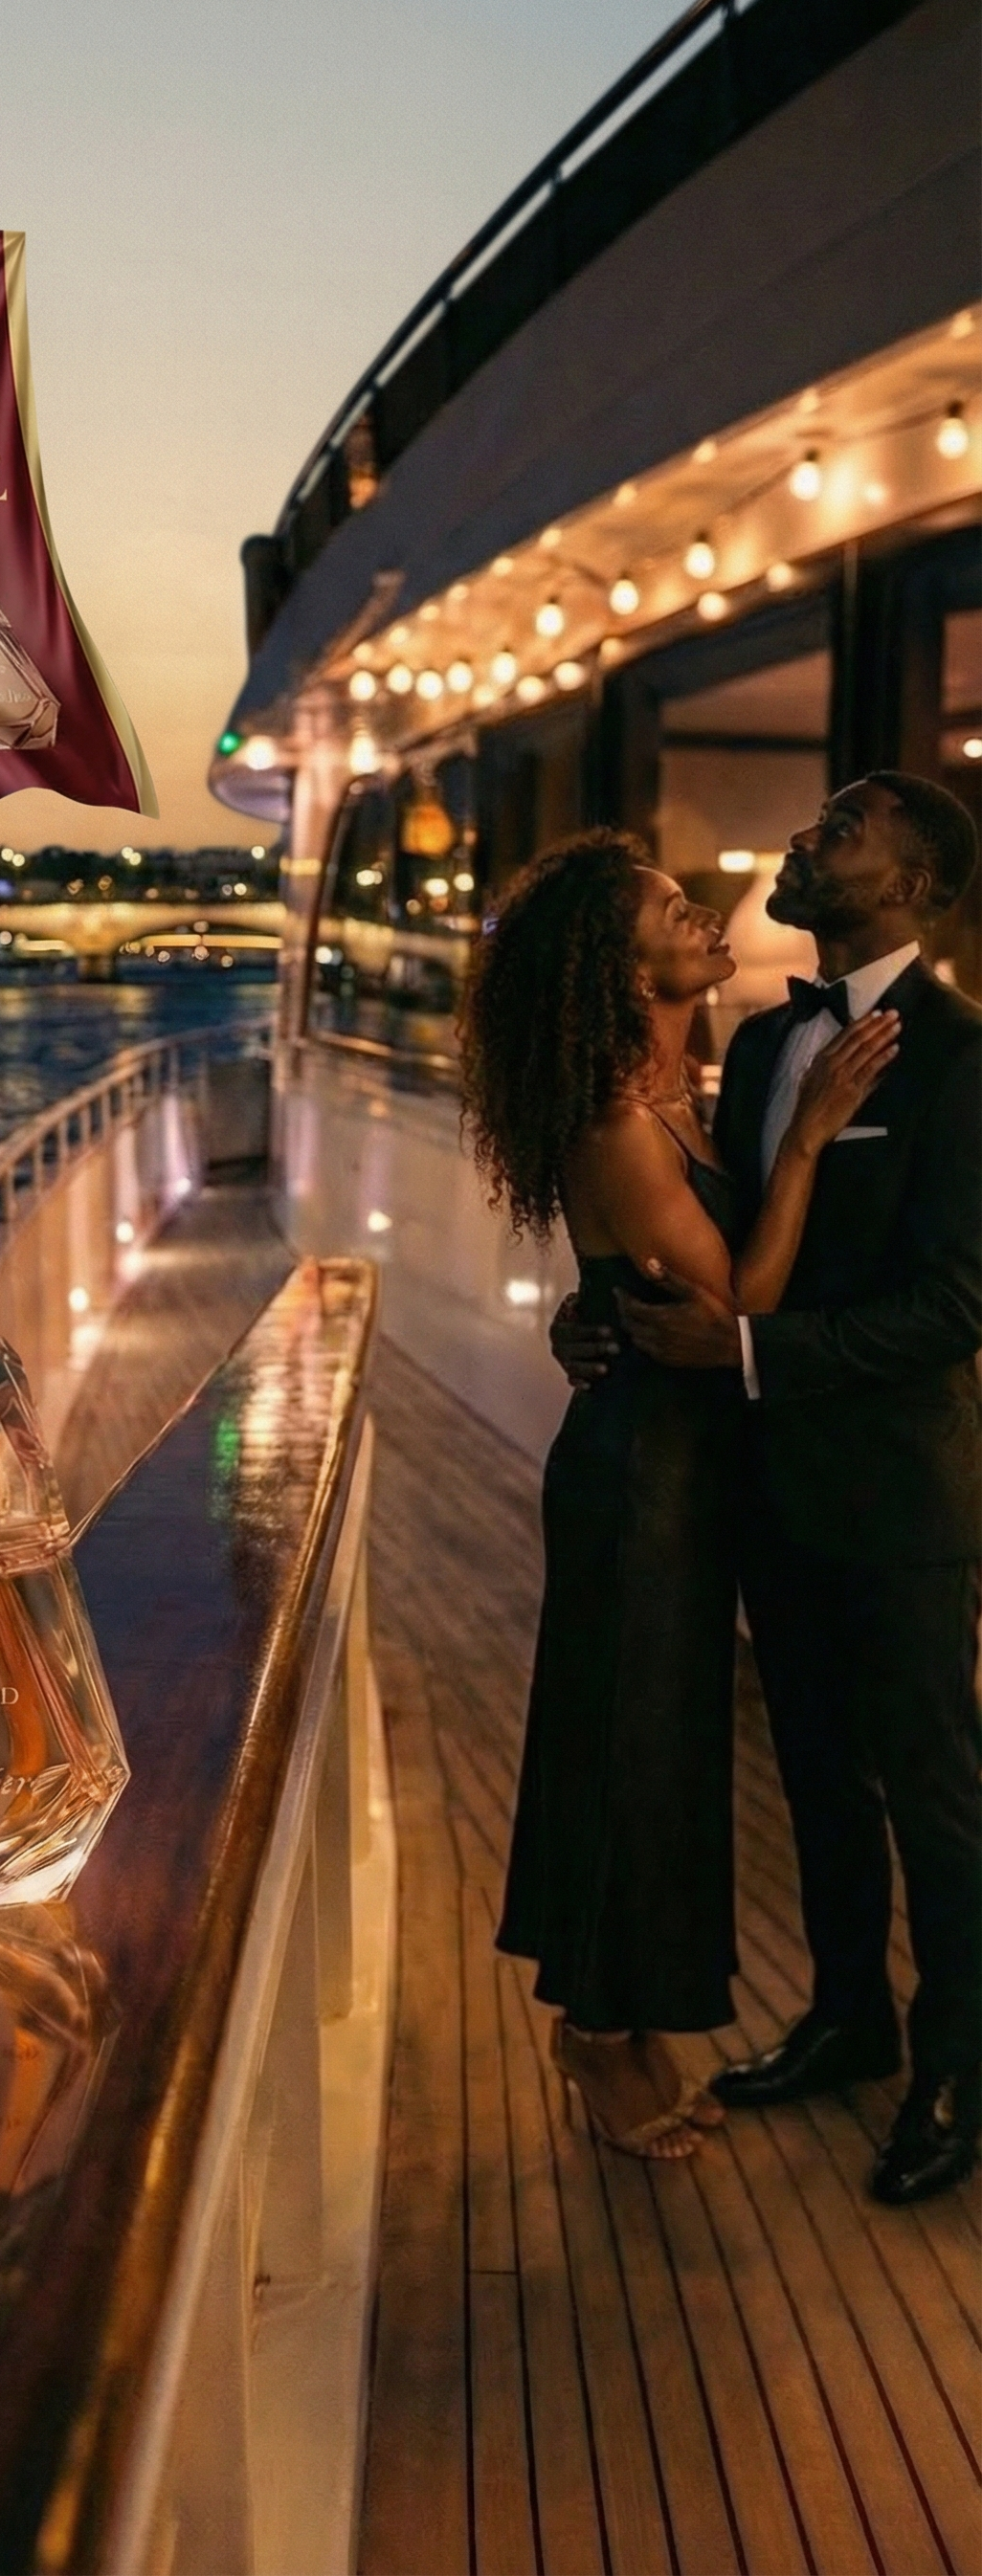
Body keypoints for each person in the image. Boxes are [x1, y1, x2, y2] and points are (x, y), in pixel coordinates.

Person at [558, 772, 982, 2208]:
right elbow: (717, 1228)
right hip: (770, 1489)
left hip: (898, 1494)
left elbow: (958, 1304)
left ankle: (958, 2066)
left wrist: (754, 1351)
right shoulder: (759, 1033)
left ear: (915, 883)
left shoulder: (961, 1058)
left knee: (935, 1786)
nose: (805, 840)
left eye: (844, 829)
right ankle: (849, 2014)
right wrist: (601, 1309)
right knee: (814, 1773)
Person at [461, 832, 898, 2158]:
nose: (703, 911)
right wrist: (815, 1139)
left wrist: (583, 1307)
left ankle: (628, 2019)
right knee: (628, 1748)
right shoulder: (616, 1121)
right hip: (644, 1475)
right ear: (617, 962)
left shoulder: (686, 1096)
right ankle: (596, 2036)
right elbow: (737, 1303)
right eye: (667, 908)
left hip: (693, 1468)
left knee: (664, 1752)